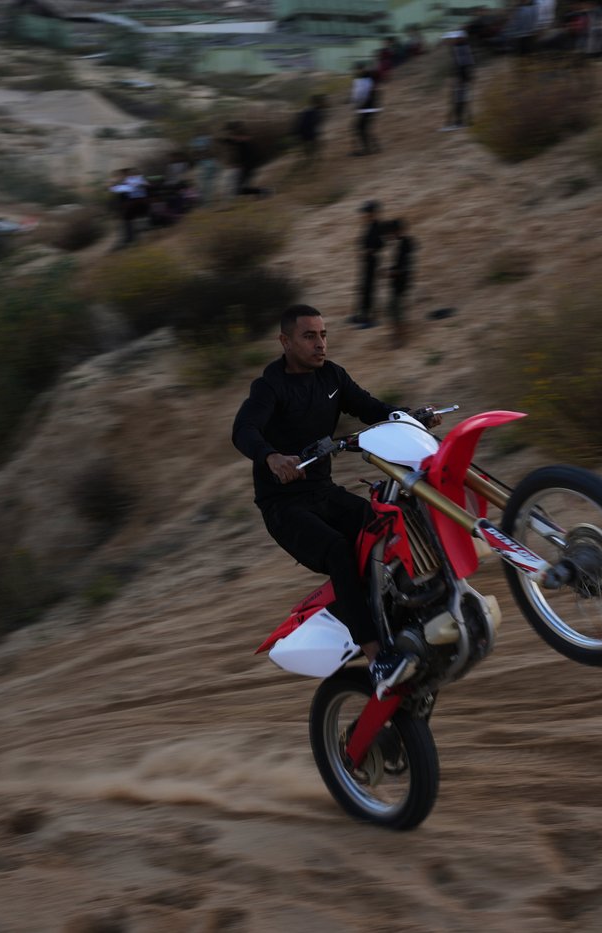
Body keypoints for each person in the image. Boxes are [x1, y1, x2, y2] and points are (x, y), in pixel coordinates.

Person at [232, 305, 440, 686]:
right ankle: (377, 657)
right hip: (284, 506)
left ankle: (415, 613)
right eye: (309, 336)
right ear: (285, 341)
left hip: (325, 492)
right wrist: (271, 457)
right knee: (339, 551)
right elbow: (244, 429)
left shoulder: (332, 376)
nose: (320, 343)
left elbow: (371, 407)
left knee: (388, 526)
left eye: (323, 335)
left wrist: (411, 416)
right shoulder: (270, 386)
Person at [386, 218, 417, 346]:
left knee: (397, 310)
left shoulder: (405, 245)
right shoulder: (402, 243)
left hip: (401, 282)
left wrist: (393, 272)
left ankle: (400, 338)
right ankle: (398, 336)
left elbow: (405, 266)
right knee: (394, 309)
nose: (391, 235)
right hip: (399, 281)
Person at [354, 200, 385, 327]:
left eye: (366, 212)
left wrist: (369, 251)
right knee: (364, 287)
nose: (363, 215)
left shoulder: (378, 226)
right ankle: (363, 314)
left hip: (373, 261)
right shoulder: (368, 225)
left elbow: (381, 244)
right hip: (367, 261)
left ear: (372, 213)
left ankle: (370, 317)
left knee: (370, 288)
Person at [443, 31, 476, 129]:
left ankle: (460, 121)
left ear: (462, 38)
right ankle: (462, 120)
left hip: (462, 77)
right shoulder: (460, 47)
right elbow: (463, 63)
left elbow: (464, 64)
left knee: (460, 100)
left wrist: (466, 77)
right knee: (460, 100)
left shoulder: (461, 48)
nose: (455, 40)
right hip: (461, 77)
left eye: (457, 38)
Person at [349, 64, 382, 156]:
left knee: (359, 128)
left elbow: (360, 94)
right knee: (363, 128)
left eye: (357, 69)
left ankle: (367, 149)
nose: (355, 71)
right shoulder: (369, 78)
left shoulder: (365, 79)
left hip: (367, 108)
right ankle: (375, 147)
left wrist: (356, 103)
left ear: (361, 69)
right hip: (370, 107)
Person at [293, 93, 328, 161]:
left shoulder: (307, 110)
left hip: (302, 133)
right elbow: (314, 124)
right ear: (319, 102)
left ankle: (310, 156)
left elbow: (299, 123)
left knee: (309, 145)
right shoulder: (315, 111)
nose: (324, 102)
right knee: (313, 144)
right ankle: (313, 156)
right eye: (323, 101)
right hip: (307, 133)